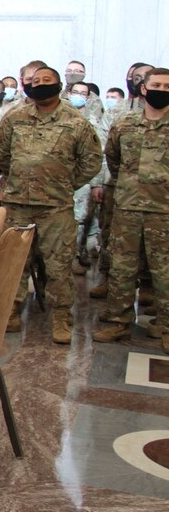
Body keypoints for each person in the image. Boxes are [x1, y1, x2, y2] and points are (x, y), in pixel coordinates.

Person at [0, 65, 103, 342]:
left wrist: (64, 183)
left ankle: (61, 319)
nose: (41, 84)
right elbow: (2, 154)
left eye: (47, 80)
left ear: (57, 85)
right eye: (36, 81)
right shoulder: (14, 118)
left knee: (58, 267)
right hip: (18, 202)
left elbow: (91, 161)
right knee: (14, 263)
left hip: (56, 207)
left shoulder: (76, 121)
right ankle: (10, 313)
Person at [94, 67, 169, 353]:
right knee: (122, 269)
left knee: (165, 272)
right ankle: (118, 321)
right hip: (127, 209)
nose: (161, 89)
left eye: (167, 85)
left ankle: (165, 325)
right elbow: (113, 159)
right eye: (156, 85)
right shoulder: (124, 125)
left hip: (164, 212)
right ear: (144, 89)